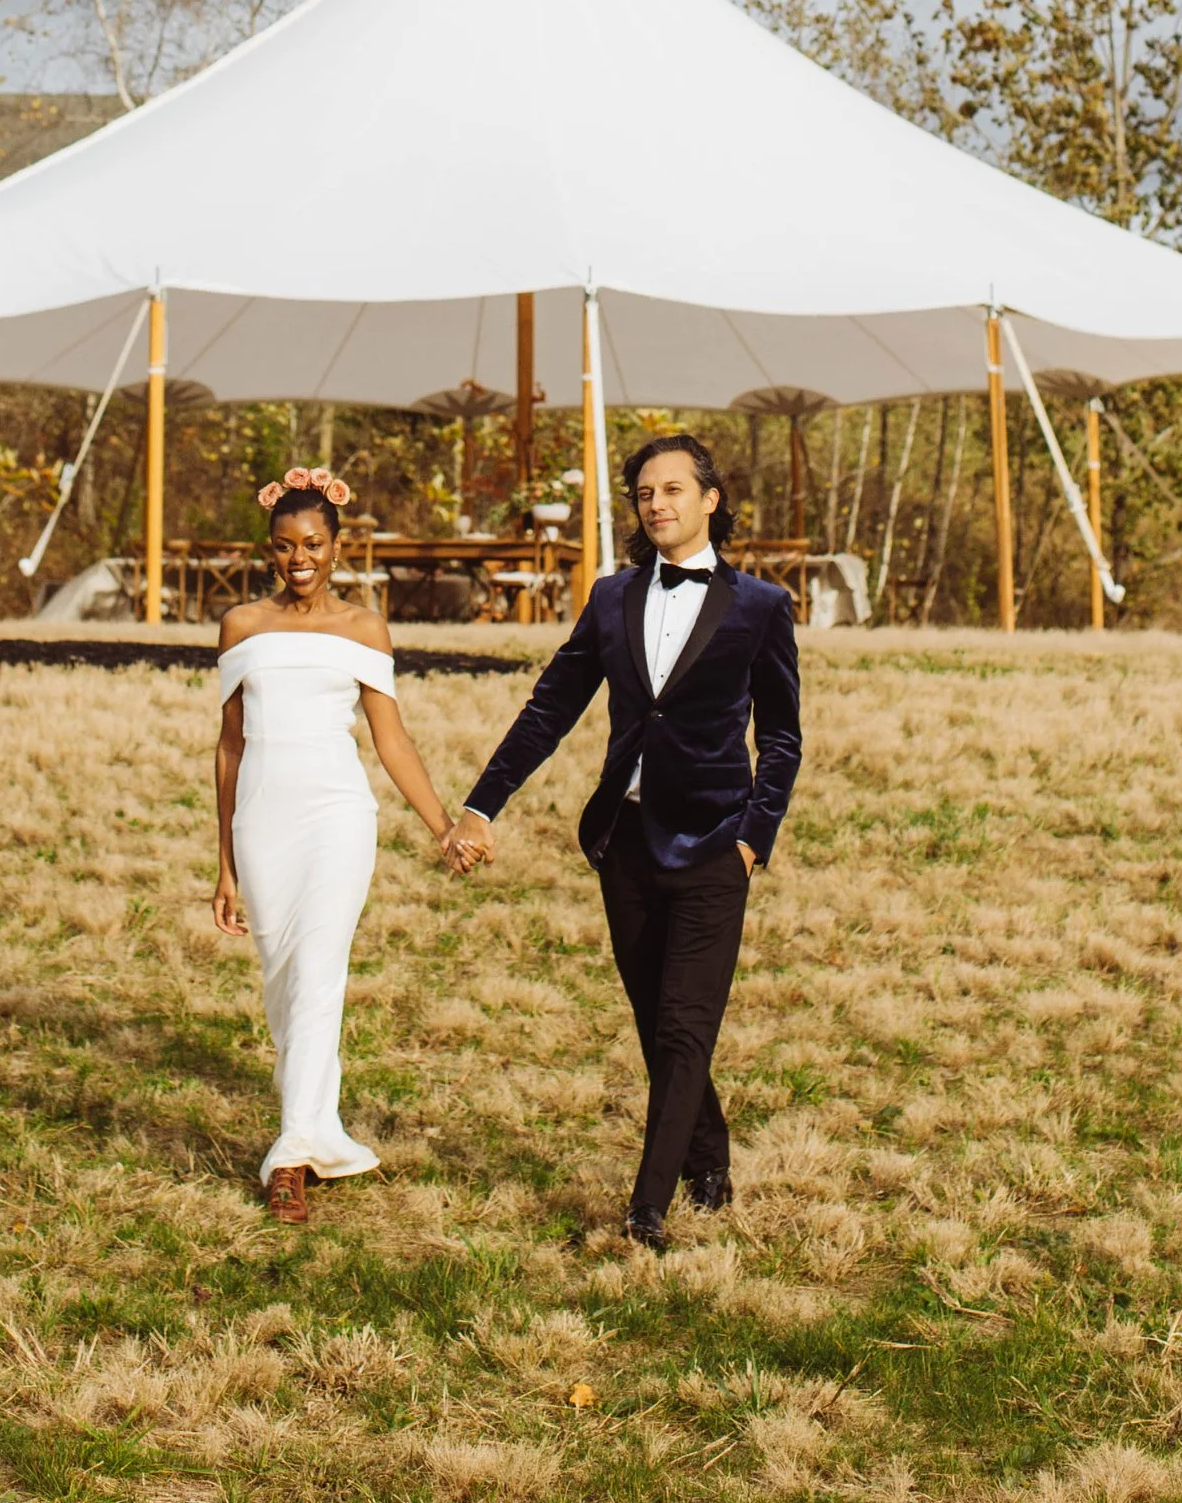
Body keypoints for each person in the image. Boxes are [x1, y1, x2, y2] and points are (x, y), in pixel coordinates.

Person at [442, 429, 801, 1250]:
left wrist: (754, 836)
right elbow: (550, 708)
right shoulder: (611, 599)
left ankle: (646, 1211)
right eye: (645, 493)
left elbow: (782, 737)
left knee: (684, 1025)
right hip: (627, 842)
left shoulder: (759, 607)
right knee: (656, 1022)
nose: (657, 503)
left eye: (673, 489)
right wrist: (480, 806)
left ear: (710, 500)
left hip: (715, 844)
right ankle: (708, 1157)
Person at [212, 466, 473, 1224]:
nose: (301, 558)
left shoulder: (363, 628)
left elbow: (391, 740)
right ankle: (319, 1129)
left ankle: (290, 1157)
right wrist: (223, 863)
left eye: (315, 545)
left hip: (337, 817)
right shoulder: (240, 626)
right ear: (269, 548)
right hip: (263, 820)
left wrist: (443, 826)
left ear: (338, 548)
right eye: (287, 545)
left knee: (320, 973)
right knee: (284, 982)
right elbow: (228, 748)